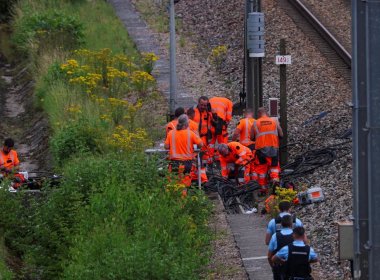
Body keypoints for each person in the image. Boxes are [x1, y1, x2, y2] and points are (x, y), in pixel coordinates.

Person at [165, 114, 203, 187]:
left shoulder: (171, 133)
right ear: (186, 124)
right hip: (186, 164)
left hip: (174, 163)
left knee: (173, 184)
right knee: (184, 185)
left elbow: (166, 147)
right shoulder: (190, 133)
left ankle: (173, 197)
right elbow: (201, 144)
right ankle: (183, 198)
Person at [251, 107, 283, 187]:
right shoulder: (274, 121)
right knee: (274, 167)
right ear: (266, 113)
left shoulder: (255, 123)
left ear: (259, 114)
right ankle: (275, 183)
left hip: (261, 149)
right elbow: (281, 134)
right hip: (273, 147)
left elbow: (252, 137)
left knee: (262, 169)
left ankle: (263, 189)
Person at [268, 215, 295, 280]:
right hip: (295, 269)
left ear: (281, 224)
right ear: (291, 224)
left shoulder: (275, 236)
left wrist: (273, 267)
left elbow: (269, 256)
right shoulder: (296, 235)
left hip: (280, 268)